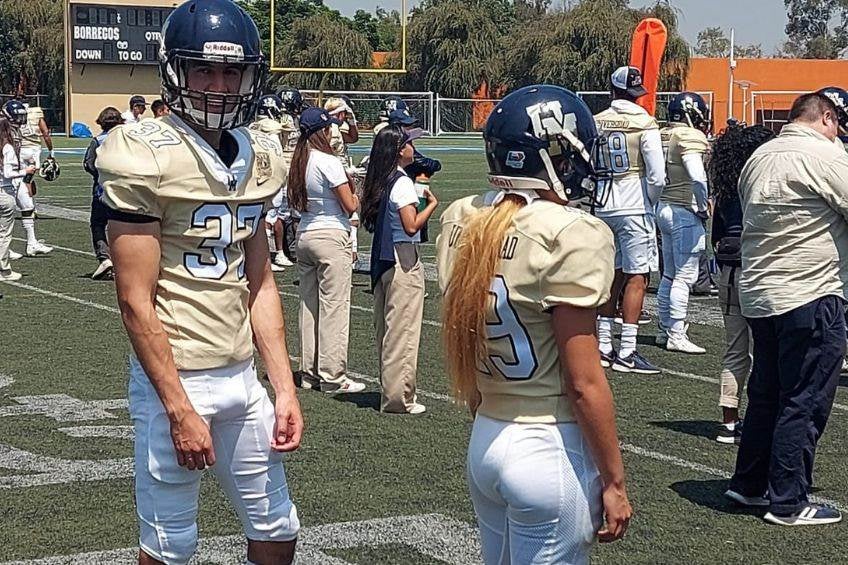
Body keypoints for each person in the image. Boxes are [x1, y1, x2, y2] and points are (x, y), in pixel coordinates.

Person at [97, 1, 302, 562]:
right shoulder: (142, 150)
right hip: (177, 375)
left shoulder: (261, 151)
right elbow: (135, 301)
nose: (218, 85)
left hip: (241, 376)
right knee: (171, 547)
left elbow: (259, 281)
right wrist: (177, 406)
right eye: (204, 70)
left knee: (278, 529)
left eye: (231, 71)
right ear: (175, 72)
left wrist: (282, 385)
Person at [437, 85, 631, 564]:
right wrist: (614, 480)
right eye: (568, 154)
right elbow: (584, 382)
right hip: (548, 446)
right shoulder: (569, 232)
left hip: (486, 436)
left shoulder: (464, 219)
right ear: (548, 157)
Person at [726, 92, 848, 526]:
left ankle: (749, 483)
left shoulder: (760, 155)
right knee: (805, 397)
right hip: (809, 291)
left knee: (766, 394)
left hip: (759, 293)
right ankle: (788, 499)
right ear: (827, 118)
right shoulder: (825, 156)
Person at [361, 125, 438, 414]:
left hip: (383, 258)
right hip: (402, 256)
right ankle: (399, 398)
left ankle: (391, 389)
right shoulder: (402, 182)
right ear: (398, 150)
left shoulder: (381, 178)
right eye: (408, 143)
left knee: (387, 328)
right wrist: (432, 205)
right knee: (403, 330)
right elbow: (410, 225)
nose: (413, 148)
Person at [594, 66, 666, 374]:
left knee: (612, 273)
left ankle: (603, 345)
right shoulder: (645, 122)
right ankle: (627, 351)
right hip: (634, 204)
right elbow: (658, 174)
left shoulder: (595, 121)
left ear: (612, 91)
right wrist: (649, 200)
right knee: (638, 276)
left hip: (601, 202)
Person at [288, 106, 364, 393]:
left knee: (309, 308)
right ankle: (333, 375)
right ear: (322, 131)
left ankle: (309, 373)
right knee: (334, 308)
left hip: (305, 234)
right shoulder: (327, 161)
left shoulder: (299, 161)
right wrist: (355, 184)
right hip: (330, 235)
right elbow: (350, 204)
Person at [708, 123, 775, 445]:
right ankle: (760, 419)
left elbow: (717, 235)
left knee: (735, 350)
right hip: (760, 268)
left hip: (729, 269)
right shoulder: (765, 181)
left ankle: (728, 422)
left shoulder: (725, 185)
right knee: (766, 349)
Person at [655, 92, 711, 354]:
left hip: (663, 207)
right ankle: (676, 334)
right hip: (682, 210)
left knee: (669, 274)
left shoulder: (663, 134)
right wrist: (702, 205)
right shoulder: (688, 136)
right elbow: (698, 177)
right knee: (685, 277)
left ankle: (664, 328)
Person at [1, 100, 52, 256]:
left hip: (13, 177)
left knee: (28, 205)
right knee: (4, 216)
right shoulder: (3, 131)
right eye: (17, 116)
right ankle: (4, 250)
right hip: (5, 179)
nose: (21, 120)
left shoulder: (14, 131)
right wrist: (24, 170)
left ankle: (32, 243)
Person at [251, 93, 293, 272]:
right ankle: (266, 257)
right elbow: (275, 154)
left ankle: (271, 255)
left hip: (257, 172)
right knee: (270, 214)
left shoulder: (254, 126)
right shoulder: (272, 130)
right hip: (269, 171)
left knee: (267, 214)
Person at [83, 107, 124, 280]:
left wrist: (100, 175)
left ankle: (105, 257)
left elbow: (88, 163)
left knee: (98, 223)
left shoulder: (98, 140)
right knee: (125, 225)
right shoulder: (127, 138)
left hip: (102, 190)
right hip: (125, 190)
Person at [0, 118, 24, 281]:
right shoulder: (7, 147)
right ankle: (4, 269)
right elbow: (9, 173)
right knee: (4, 233)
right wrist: (26, 170)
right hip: (4, 191)